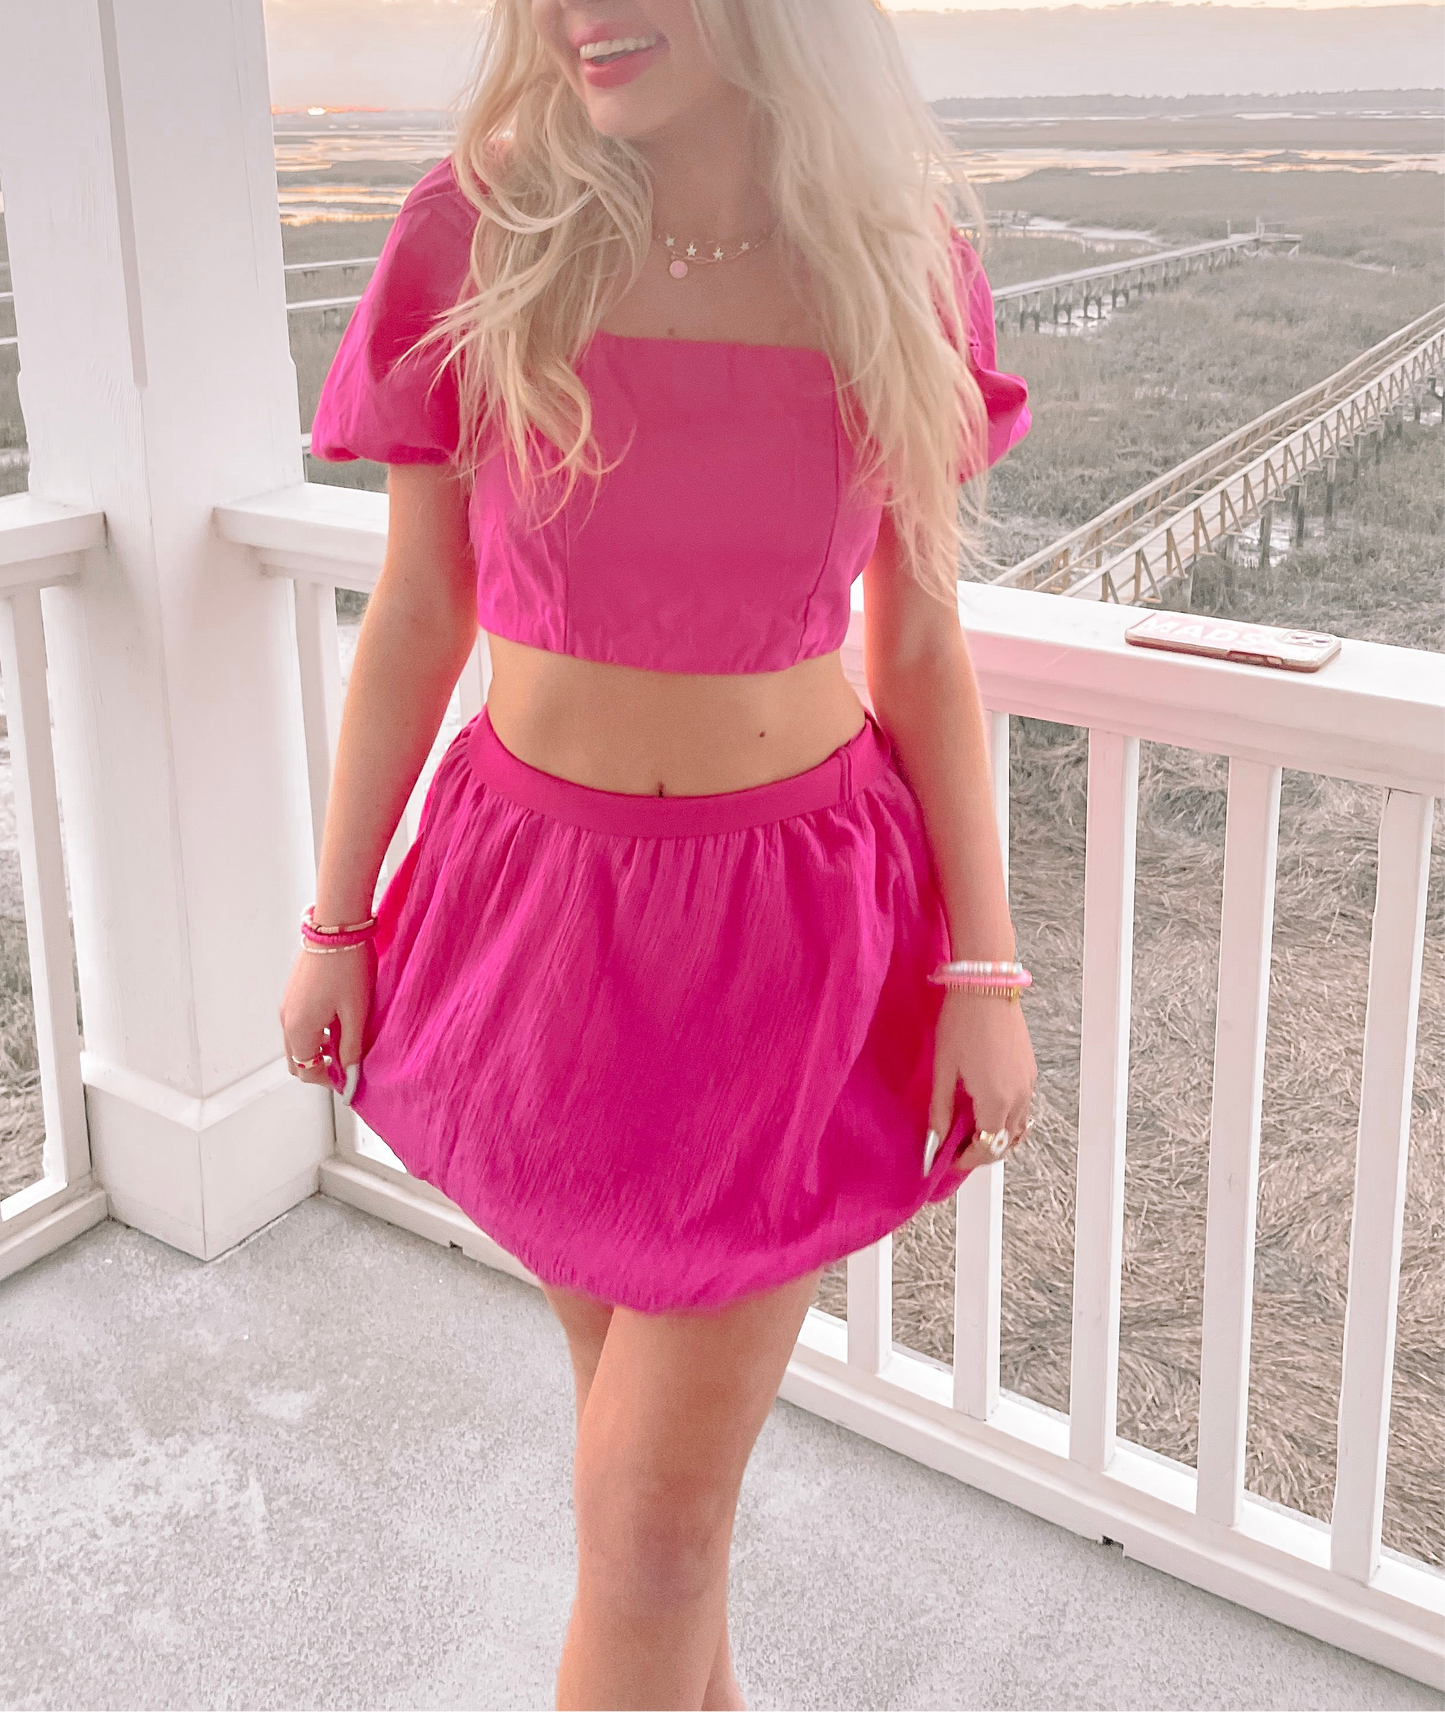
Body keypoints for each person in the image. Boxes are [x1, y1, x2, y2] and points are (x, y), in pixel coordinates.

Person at [279, 0, 1035, 1705]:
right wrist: (335, 917)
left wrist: (983, 969)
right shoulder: (475, 236)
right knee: (642, 1495)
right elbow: (415, 617)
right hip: (535, 922)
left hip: (786, 940)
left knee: (647, 1524)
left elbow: (919, 651)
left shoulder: (894, 264)